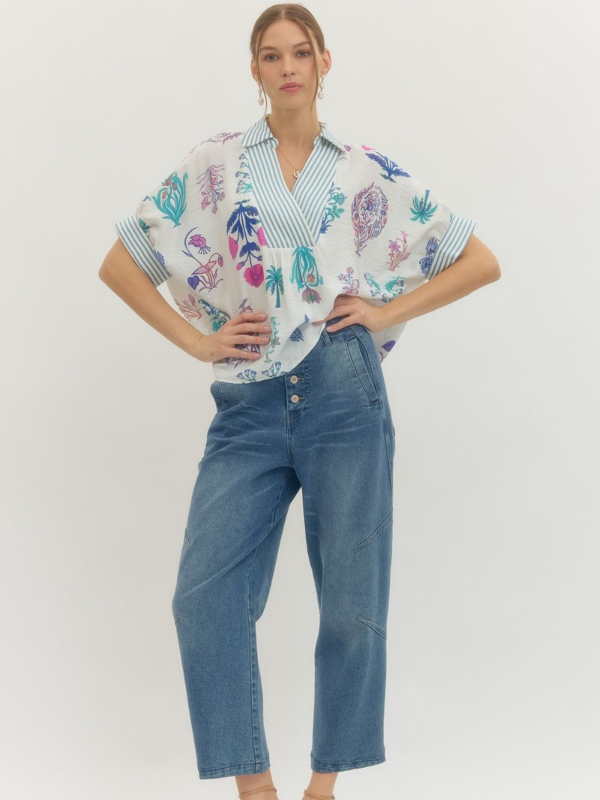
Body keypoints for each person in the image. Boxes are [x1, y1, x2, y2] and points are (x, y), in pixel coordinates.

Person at [99, 4, 501, 799]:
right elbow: (122, 262)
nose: (288, 67)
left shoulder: (361, 169)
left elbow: (478, 260)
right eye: (271, 55)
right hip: (247, 402)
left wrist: (385, 311)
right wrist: (199, 341)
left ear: (323, 62)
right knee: (203, 598)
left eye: (301, 53)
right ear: (255, 70)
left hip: (343, 389)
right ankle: (256, 790)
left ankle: (323, 788)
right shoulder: (215, 164)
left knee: (351, 605)